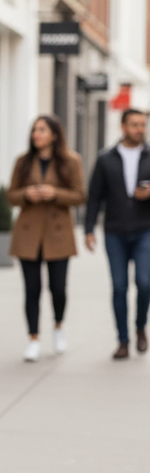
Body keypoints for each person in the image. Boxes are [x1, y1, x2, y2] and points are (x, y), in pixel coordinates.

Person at [7, 116, 85, 362]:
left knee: (58, 288)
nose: (36, 134)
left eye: (42, 130)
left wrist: (55, 193)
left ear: (54, 135)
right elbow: (10, 196)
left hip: (58, 233)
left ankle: (58, 326)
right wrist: (27, 194)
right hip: (28, 232)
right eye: (34, 130)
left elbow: (80, 196)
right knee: (32, 289)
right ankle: (33, 339)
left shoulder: (71, 161)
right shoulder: (23, 161)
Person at [85, 108, 150, 359]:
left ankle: (140, 326)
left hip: (144, 230)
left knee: (144, 283)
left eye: (142, 125)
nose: (140, 129)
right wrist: (89, 229)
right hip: (114, 232)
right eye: (135, 125)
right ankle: (123, 340)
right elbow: (94, 196)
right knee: (119, 287)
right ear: (123, 127)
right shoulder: (106, 158)